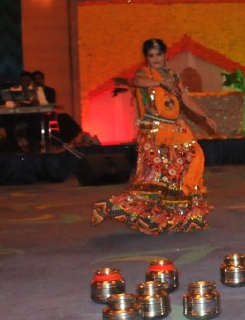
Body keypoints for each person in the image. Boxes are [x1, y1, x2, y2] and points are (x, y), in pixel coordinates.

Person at [92, 38, 218, 235]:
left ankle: (183, 214)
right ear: (146, 58)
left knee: (194, 158)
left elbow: (185, 99)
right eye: (151, 56)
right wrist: (161, 83)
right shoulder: (145, 74)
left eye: (159, 54)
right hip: (155, 130)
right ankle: (141, 213)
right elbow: (137, 82)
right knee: (160, 175)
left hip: (177, 128)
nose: (156, 59)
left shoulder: (175, 76)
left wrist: (205, 117)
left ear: (165, 55)